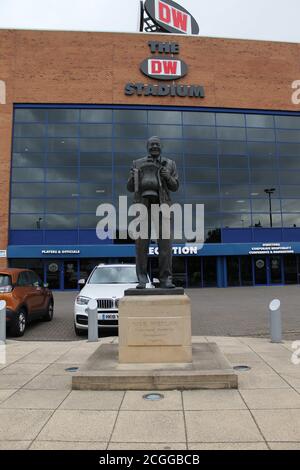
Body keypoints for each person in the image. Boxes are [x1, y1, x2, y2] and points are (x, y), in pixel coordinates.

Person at [127, 136, 179, 289]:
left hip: (163, 206)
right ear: (147, 147)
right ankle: (142, 279)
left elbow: (175, 186)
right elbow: (130, 187)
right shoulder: (137, 163)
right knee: (141, 245)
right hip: (143, 206)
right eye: (151, 144)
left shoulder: (170, 163)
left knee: (165, 245)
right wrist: (133, 177)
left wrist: (167, 176)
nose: (154, 146)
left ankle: (166, 279)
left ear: (161, 146)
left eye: (157, 144)